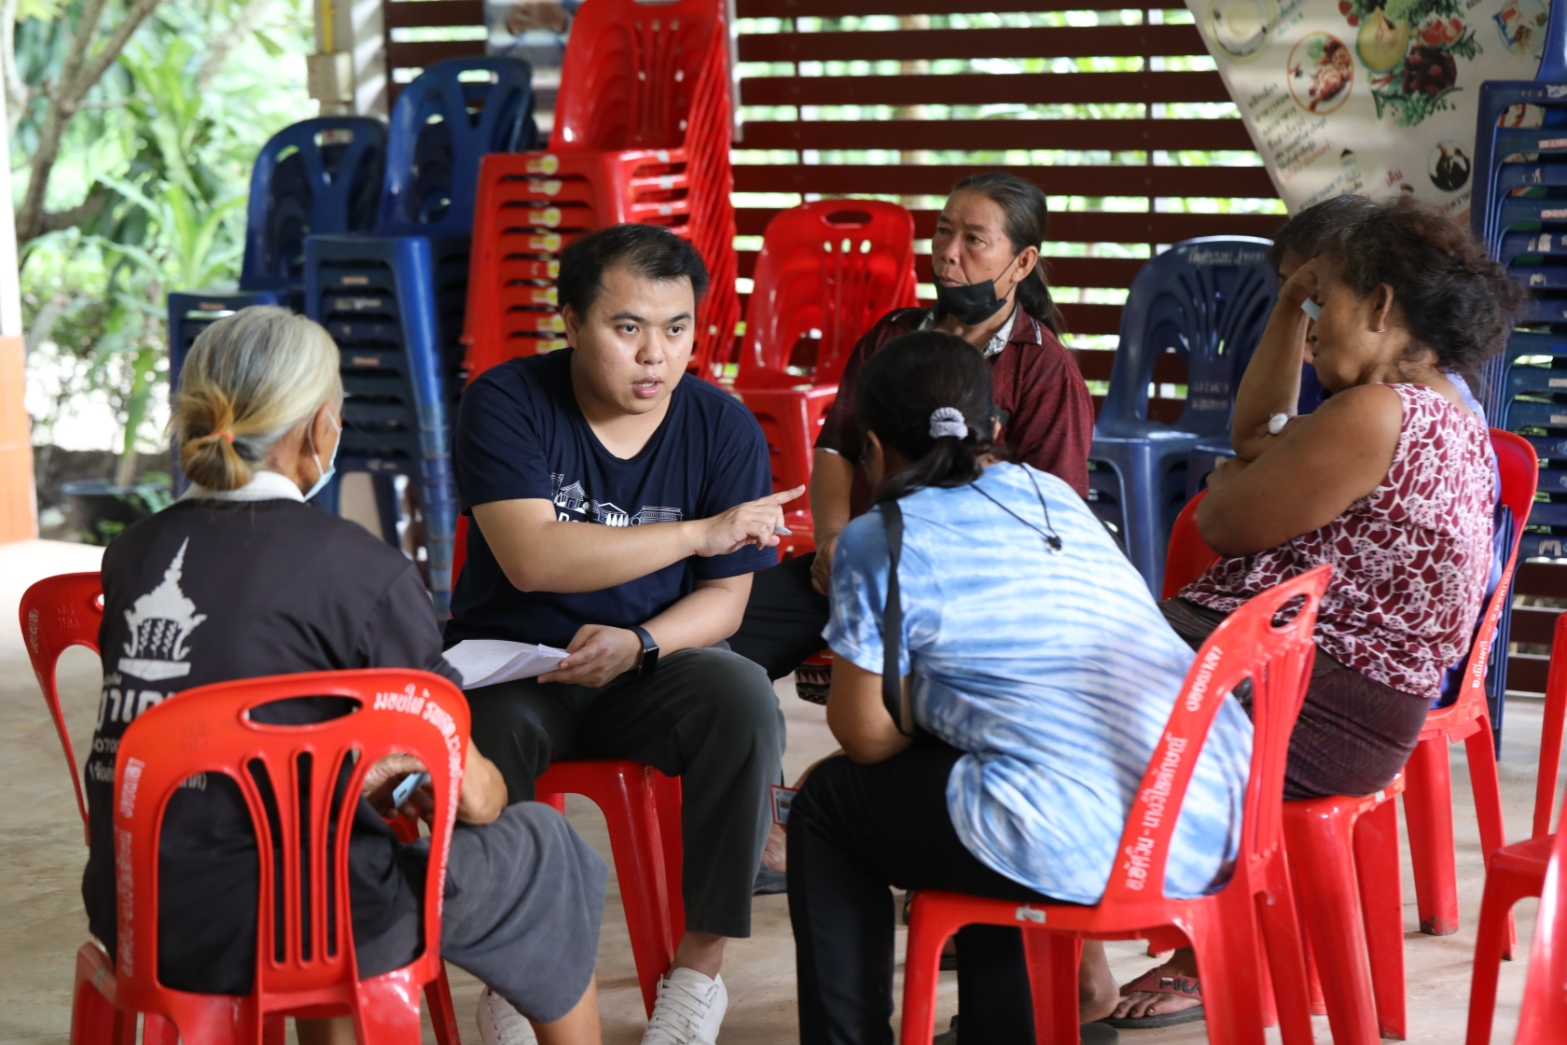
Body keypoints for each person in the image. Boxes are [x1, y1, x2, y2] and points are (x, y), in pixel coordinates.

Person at [82, 307, 607, 1045]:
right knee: (542, 845)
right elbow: (475, 797)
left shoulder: (133, 554)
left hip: (143, 907)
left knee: (326, 829)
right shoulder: (361, 570)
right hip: (308, 915)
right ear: (319, 428)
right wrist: (411, 776)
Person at [1110, 196, 1521, 1028]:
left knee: (1036, 697)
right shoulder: (1431, 407)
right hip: (1322, 692)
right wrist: (1287, 317)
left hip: (1313, 707)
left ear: (1377, 306)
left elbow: (1220, 521)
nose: (1306, 323)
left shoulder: (1378, 415)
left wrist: (1239, 488)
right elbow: (1259, 440)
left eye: (1317, 299)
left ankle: (1091, 945)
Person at [784, 331, 1253, 1045]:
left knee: (827, 804)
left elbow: (863, 733)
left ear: (872, 450)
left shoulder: (882, 535)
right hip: (1202, 816)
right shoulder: (1052, 496)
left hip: (1084, 841)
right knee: (974, 779)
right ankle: (1008, 1028)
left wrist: (924, 702)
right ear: (993, 431)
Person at [446, 223, 796, 1045]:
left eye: (676, 330)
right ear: (571, 321)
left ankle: (696, 976)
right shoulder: (505, 401)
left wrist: (640, 643)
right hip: (516, 664)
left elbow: (726, 605)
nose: (654, 355)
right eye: (627, 327)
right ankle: (511, 976)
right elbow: (531, 557)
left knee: (742, 696)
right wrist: (693, 533)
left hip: (647, 666)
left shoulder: (722, 427)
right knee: (481, 740)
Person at [728, 172, 1096, 694]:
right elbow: (837, 446)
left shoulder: (1044, 370)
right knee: (721, 637)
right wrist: (834, 543)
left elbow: (1054, 516)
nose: (948, 253)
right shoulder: (892, 337)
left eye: (974, 239)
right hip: (862, 562)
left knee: (910, 701)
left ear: (1023, 263)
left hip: (972, 590)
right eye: (943, 231)